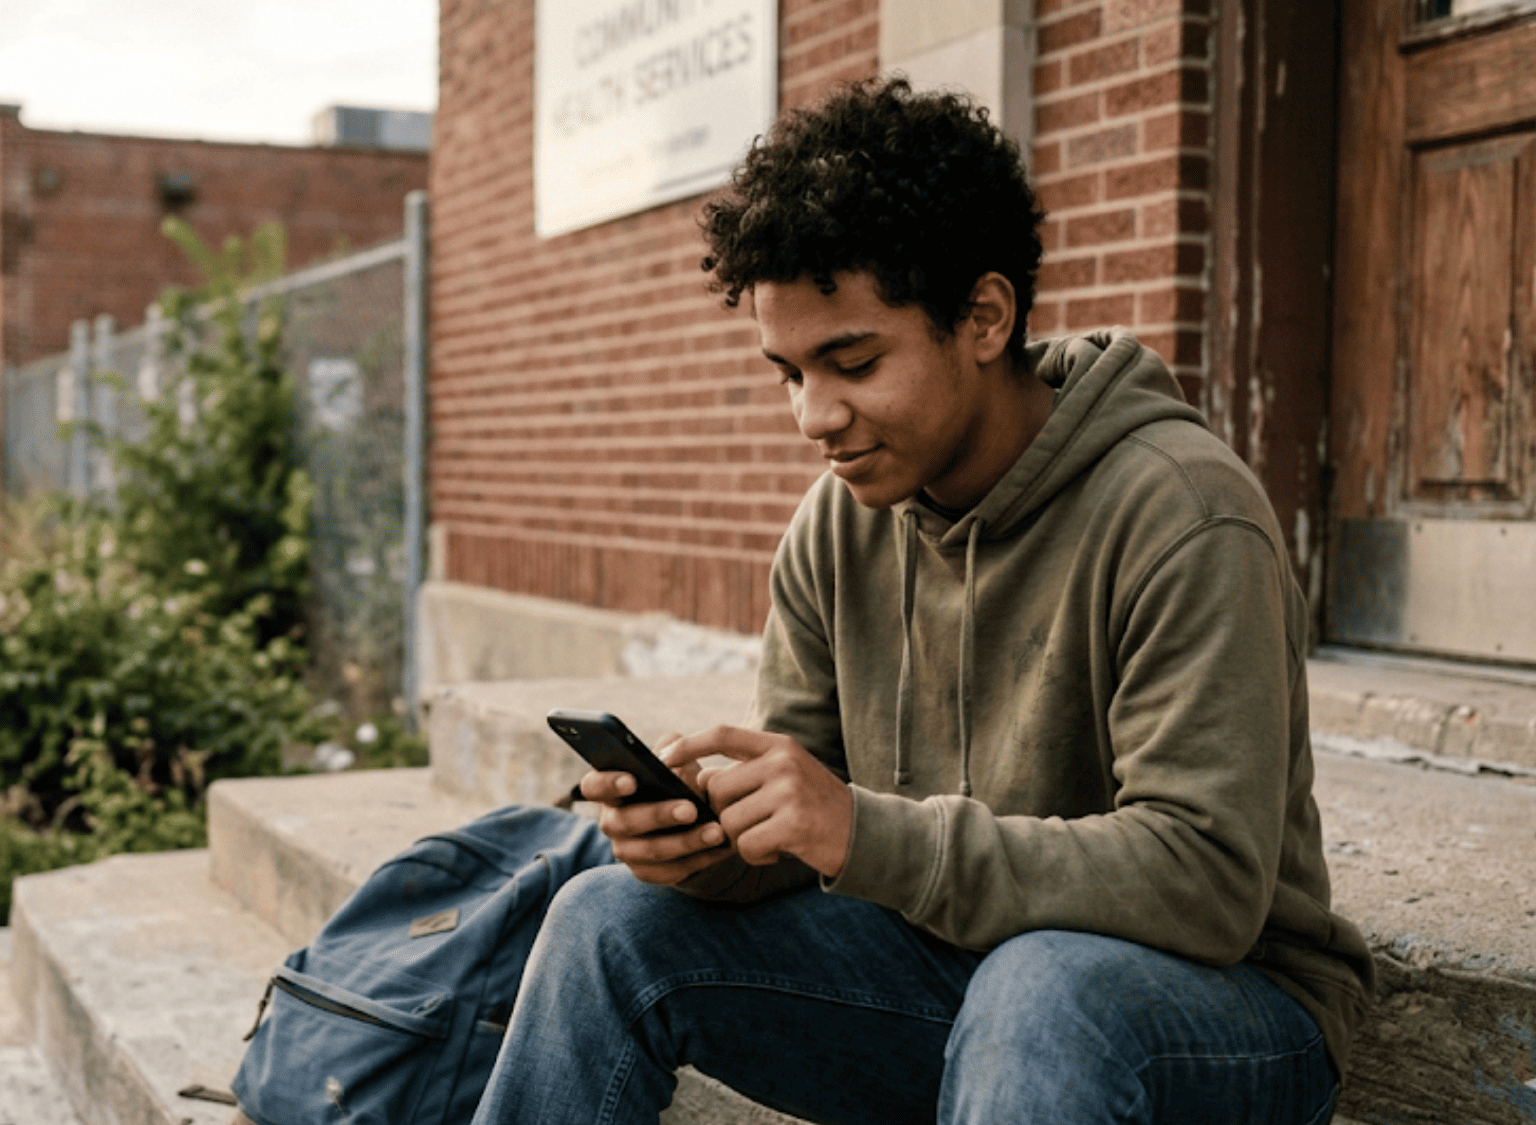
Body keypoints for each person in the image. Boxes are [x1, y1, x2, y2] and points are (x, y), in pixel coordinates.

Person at [473, 79, 1374, 1125]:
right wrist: (705, 854)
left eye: (851, 362)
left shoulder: (1180, 509)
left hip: (1218, 1009)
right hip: (953, 979)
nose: (813, 415)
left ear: (983, 316)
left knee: (1042, 989)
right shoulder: (836, 524)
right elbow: (814, 842)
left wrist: (867, 833)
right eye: (787, 373)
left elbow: (1206, 885)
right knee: (602, 919)